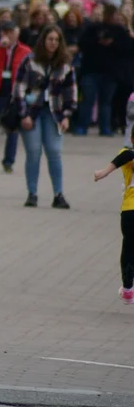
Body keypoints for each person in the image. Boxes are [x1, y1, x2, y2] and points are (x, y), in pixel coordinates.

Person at [15, 24, 77, 209]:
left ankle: (58, 194)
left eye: (57, 40)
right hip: (32, 112)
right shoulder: (30, 61)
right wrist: (23, 114)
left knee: (54, 152)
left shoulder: (65, 65)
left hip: (55, 113)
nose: (53, 43)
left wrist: (67, 115)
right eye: (50, 39)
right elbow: (18, 90)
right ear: (43, 40)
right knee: (33, 152)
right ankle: (32, 194)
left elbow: (71, 92)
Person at [0, 21, 30, 171]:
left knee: (12, 128)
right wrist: (1, 49)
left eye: (11, 32)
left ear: (17, 33)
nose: (8, 35)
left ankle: (8, 161)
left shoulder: (25, 51)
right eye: (5, 32)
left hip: (14, 94)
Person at [92, 129, 134, 305]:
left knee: (129, 248)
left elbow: (125, 156)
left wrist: (104, 171)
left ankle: (127, 288)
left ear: (131, 138)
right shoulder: (128, 155)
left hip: (129, 211)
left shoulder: (127, 153)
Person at [76, 4, 132, 136]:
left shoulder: (119, 31)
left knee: (106, 102)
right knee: (87, 100)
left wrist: (113, 42)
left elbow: (127, 49)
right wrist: (98, 40)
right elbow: (82, 45)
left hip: (111, 73)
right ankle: (82, 126)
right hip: (91, 70)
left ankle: (105, 128)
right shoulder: (92, 29)